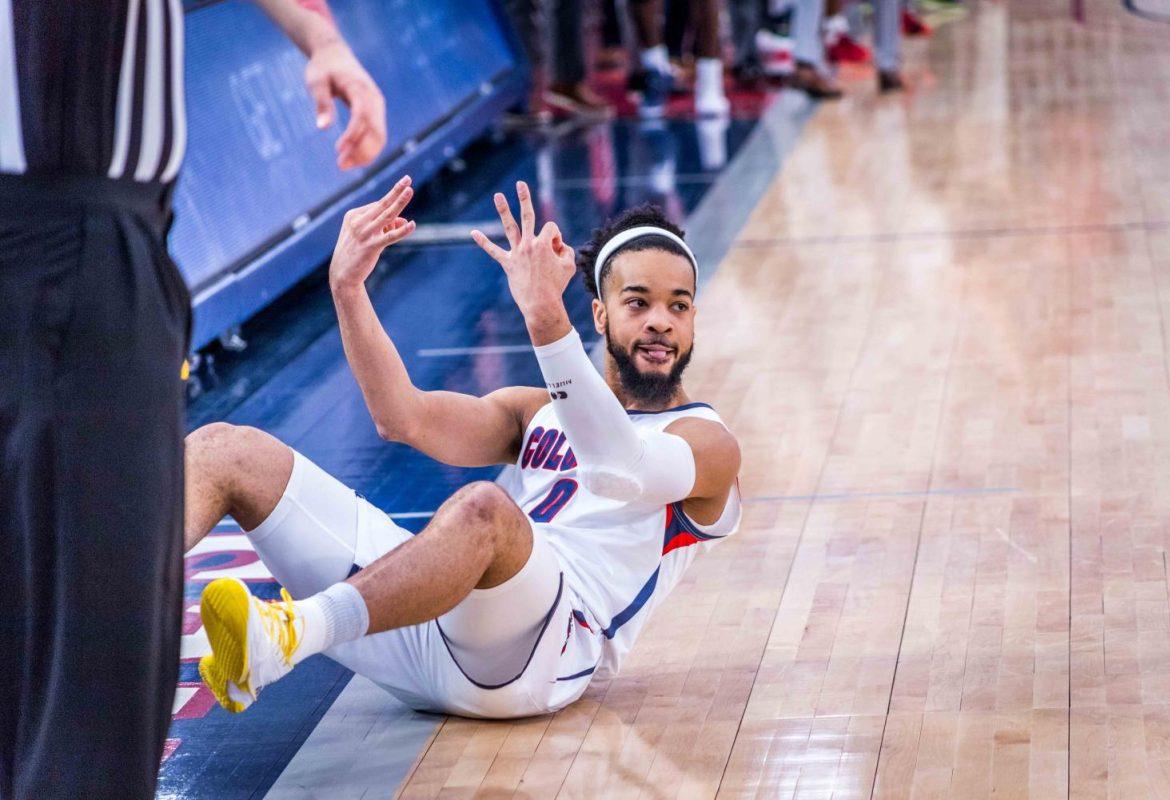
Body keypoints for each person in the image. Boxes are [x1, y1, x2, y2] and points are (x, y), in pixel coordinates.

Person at [0, 1, 385, 797]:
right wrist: (321, 36)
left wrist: (320, 36)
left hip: (73, 239)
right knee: (95, 663)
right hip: (74, 240)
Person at [187, 179, 742, 720]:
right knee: (226, 451)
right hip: (430, 620)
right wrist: (348, 289)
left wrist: (544, 317)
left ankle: (293, 632)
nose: (660, 323)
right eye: (638, 302)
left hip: (542, 656)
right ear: (600, 315)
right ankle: (107, 606)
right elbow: (401, 417)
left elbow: (619, 469)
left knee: (485, 509)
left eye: (679, 307)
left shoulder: (706, 441)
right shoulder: (536, 411)